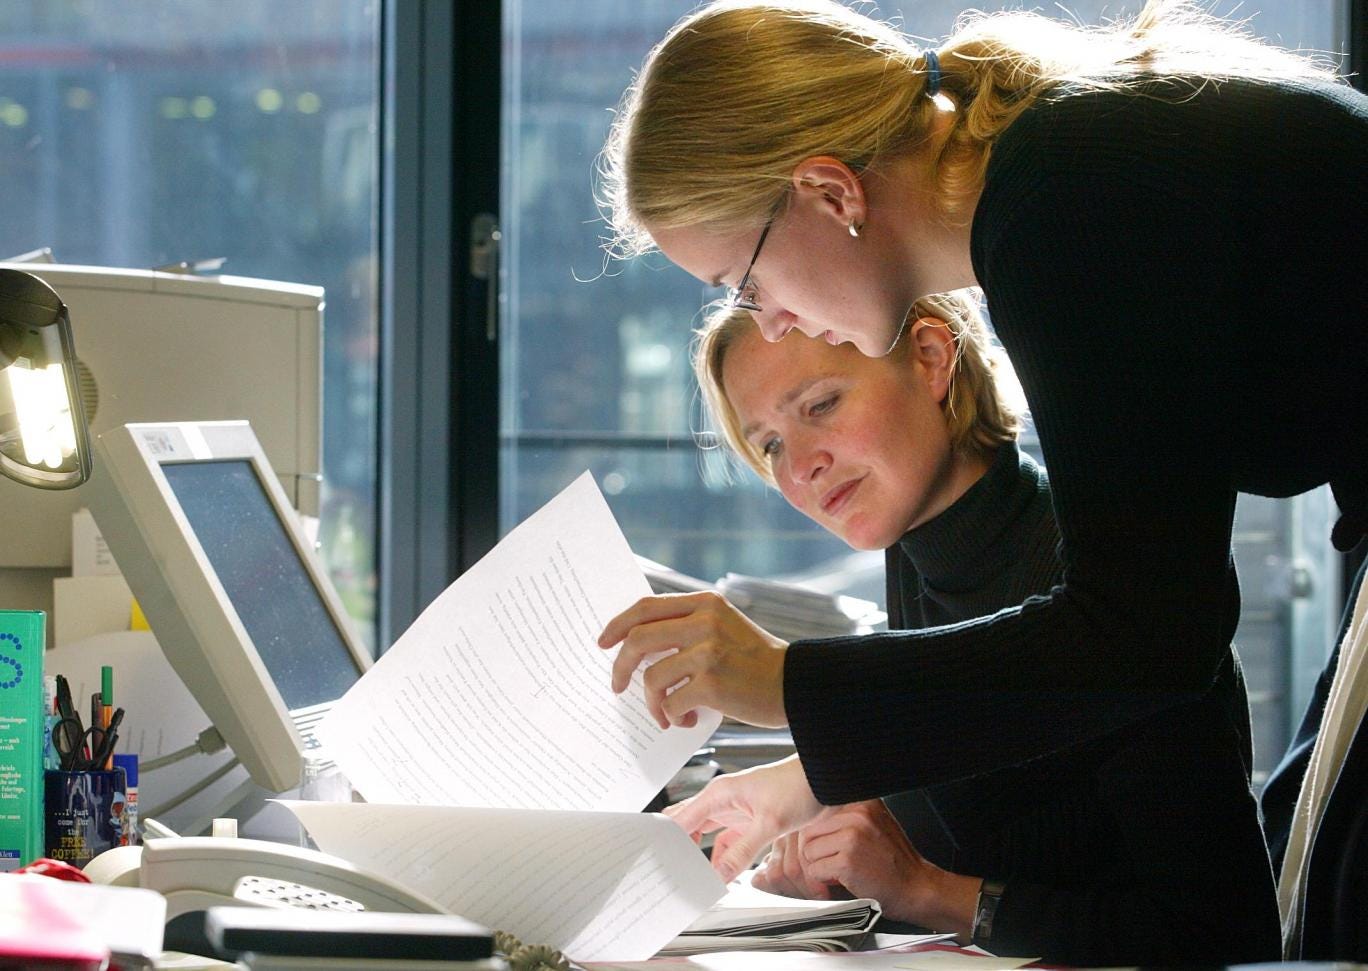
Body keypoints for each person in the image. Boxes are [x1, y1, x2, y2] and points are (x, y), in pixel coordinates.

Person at [591, 0, 1367, 954]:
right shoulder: (1060, 170)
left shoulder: (1066, 201)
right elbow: (1150, 623)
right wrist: (807, 766)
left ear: (831, 193)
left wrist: (790, 682)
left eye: (744, 286)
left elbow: (1147, 629)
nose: (773, 323)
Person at [692, 297, 1277, 964]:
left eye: (821, 405)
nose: (797, 468)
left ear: (932, 359)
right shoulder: (915, 546)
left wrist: (926, 889)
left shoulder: (1098, 583)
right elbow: (993, 750)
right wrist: (838, 807)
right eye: (768, 443)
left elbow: (1225, 931)